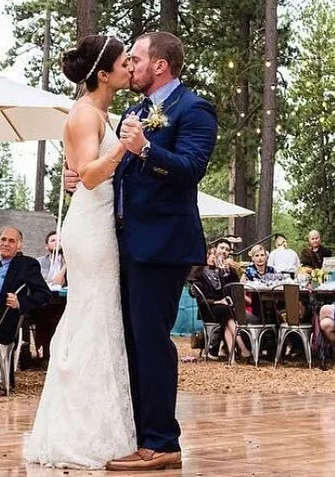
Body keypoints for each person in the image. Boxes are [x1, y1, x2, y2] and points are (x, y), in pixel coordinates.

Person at [30, 32, 217, 472]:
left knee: (151, 340)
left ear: (160, 66)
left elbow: (191, 168)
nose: (130, 65)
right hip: (122, 241)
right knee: (129, 339)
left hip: (163, 244)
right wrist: (77, 177)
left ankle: (162, 441)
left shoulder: (194, 110)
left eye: (137, 58)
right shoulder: (132, 110)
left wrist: (147, 149)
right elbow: (102, 165)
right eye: (126, 59)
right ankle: (137, 433)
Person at [0, 227, 51, 342]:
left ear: (19, 245)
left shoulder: (27, 265)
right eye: (3, 239)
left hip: (4, 317)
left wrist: (20, 302)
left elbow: (44, 294)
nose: (6, 244)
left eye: (11, 241)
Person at [191, 245, 251, 360]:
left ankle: (232, 356)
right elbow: (199, 298)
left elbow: (234, 284)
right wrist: (217, 301)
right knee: (226, 311)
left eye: (214, 254)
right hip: (208, 308)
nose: (213, 257)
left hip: (222, 308)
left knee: (227, 316)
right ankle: (241, 346)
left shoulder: (219, 272)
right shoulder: (198, 274)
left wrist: (231, 269)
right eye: (210, 254)